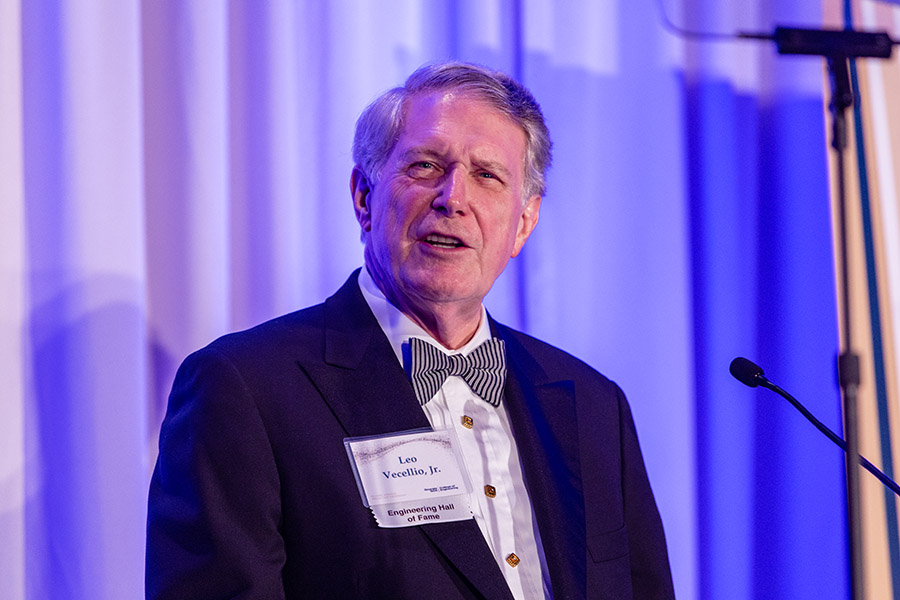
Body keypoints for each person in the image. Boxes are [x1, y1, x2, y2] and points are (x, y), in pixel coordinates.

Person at [146, 61, 674, 600]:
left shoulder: (592, 403)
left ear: (523, 224)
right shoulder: (245, 389)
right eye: (424, 166)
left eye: (488, 175)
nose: (453, 199)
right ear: (364, 198)